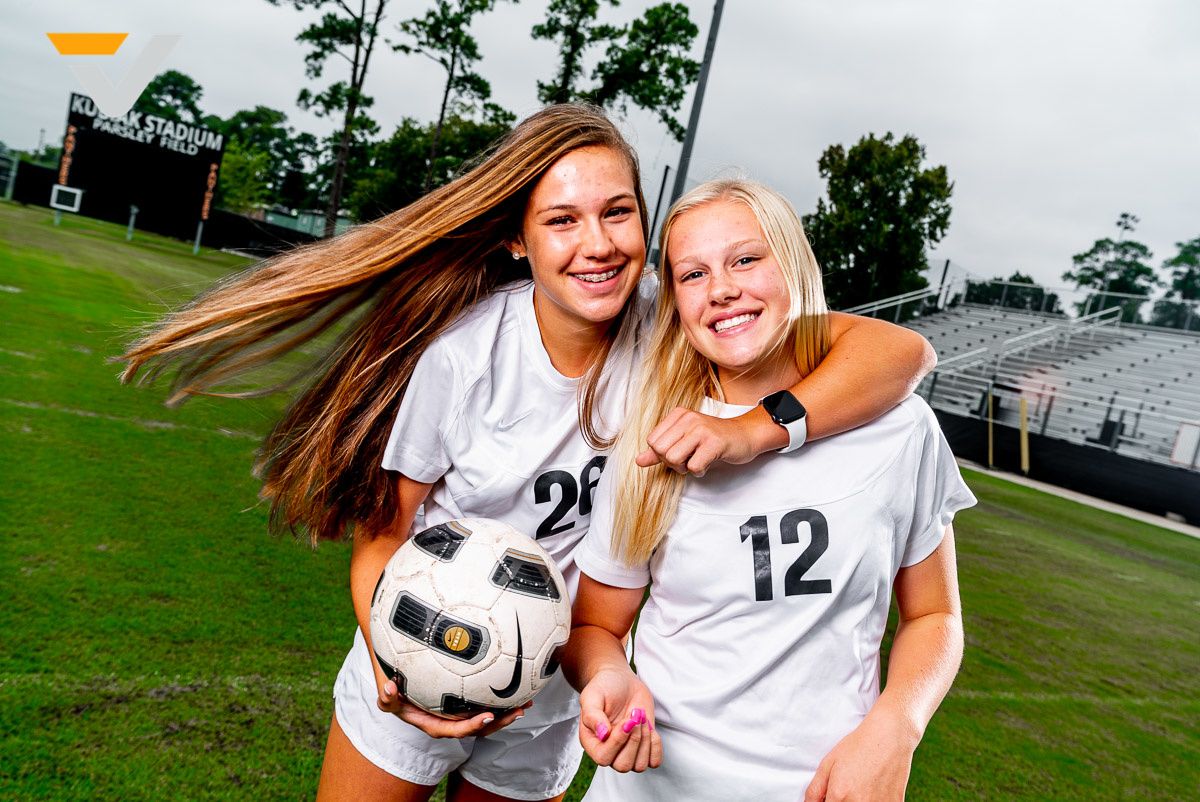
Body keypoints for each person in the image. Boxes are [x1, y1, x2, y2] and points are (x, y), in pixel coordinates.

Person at [121, 107, 936, 802]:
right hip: (418, 650)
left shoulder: (674, 324)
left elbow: (897, 352)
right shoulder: (465, 357)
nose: (598, 244)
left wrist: (760, 424)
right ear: (518, 239)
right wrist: (392, 665)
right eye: (562, 220)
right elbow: (384, 533)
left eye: (619, 213)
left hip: (553, 686)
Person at [562, 178, 975, 802]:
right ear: (675, 301)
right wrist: (608, 676)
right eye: (692, 274)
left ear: (793, 264)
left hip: (824, 788)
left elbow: (935, 615)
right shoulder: (656, 439)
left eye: (746, 259)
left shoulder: (900, 427)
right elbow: (594, 626)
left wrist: (897, 727)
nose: (723, 289)